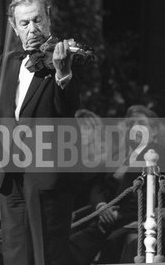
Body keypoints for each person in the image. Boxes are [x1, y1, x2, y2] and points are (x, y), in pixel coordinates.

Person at [0, 0, 81, 265]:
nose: (32, 29)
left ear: (48, 19)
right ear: (14, 27)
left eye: (37, 20)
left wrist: (63, 74)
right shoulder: (9, 61)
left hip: (46, 177)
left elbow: (67, 109)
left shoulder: (65, 56)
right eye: (24, 23)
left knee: (47, 256)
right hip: (9, 176)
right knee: (16, 255)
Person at [69, 105, 165, 264]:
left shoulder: (157, 154)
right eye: (130, 125)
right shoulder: (117, 157)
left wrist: (117, 214)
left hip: (133, 219)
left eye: (140, 123)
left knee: (112, 244)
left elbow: (145, 197)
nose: (135, 128)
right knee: (69, 242)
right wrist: (101, 205)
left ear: (153, 130)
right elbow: (97, 186)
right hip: (103, 217)